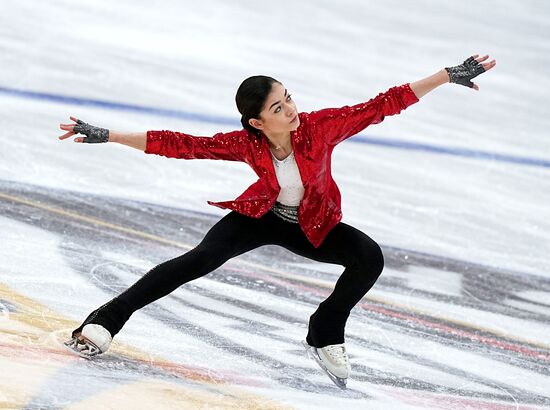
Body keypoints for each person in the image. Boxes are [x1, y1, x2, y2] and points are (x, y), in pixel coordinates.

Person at [58, 54, 496, 388]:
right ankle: (104, 322)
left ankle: (325, 332)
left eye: (288, 98)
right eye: (278, 106)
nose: (290, 109)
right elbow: (181, 144)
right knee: (198, 260)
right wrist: (109, 135)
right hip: (258, 217)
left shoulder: (321, 127)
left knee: (368, 257)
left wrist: (446, 75)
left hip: (310, 224)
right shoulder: (244, 144)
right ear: (257, 121)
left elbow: (383, 104)